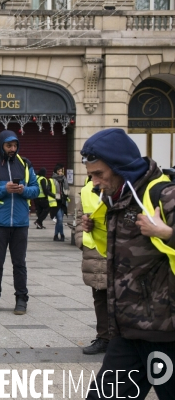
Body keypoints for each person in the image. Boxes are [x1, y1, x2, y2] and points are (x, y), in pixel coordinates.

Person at [81, 128, 175, 399]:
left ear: (120, 165)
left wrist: (166, 233)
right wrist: (93, 227)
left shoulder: (164, 194)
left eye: (99, 174)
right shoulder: (117, 199)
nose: (95, 182)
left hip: (165, 334)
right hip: (127, 332)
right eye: (91, 175)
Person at [0, 130, 39, 315]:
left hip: (20, 223)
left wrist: (24, 190)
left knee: (19, 263)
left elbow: (36, 190)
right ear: (1, 145)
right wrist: (4, 189)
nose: (13, 149)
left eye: (15, 145)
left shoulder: (25, 163)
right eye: (9, 145)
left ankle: (21, 299)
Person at [75, 177, 109, 355]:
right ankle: (104, 337)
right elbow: (80, 217)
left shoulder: (121, 186)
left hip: (117, 250)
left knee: (121, 297)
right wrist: (81, 240)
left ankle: (121, 339)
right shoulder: (87, 189)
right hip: (94, 251)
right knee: (99, 296)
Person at [49, 163, 70, 241]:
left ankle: (56, 235)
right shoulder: (51, 180)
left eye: (61, 171)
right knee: (60, 220)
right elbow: (47, 191)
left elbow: (67, 191)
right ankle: (62, 234)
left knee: (59, 220)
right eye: (59, 171)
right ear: (56, 171)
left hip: (63, 202)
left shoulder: (64, 180)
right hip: (56, 203)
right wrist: (55, 196)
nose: (60, 172)